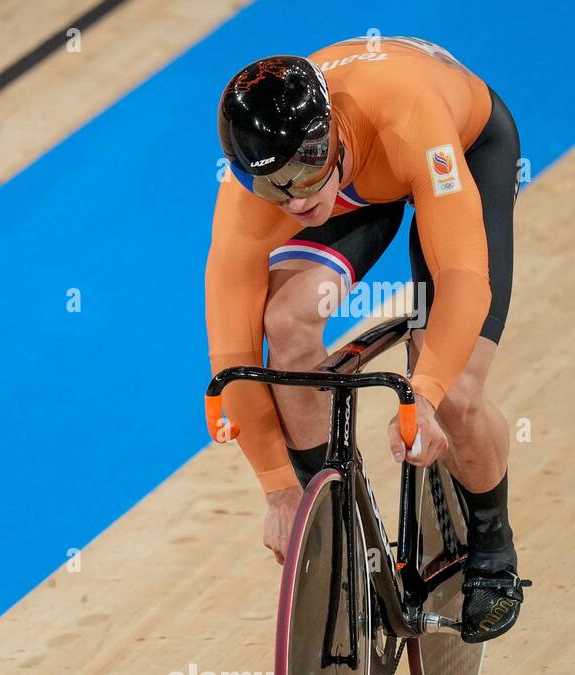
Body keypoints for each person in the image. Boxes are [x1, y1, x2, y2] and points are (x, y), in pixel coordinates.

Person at [206, 37, 528, 642]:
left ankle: (494, 546)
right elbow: (234, 356)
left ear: (328, 136)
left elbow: (463, 279)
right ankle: (334, 525)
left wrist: (424, 392)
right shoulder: (266, 188)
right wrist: (278, 491)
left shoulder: (408, 114)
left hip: (455, 149)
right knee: (284, 324)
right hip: (356, 181)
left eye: (303, 173)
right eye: (275, 188)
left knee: (457, 392)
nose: (297, 200)